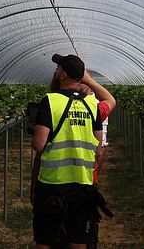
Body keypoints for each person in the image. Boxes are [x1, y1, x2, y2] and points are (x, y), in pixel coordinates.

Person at [30, 53, 117, 249]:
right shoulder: (92, 105)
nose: (55, 71)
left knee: (45, 241)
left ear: (63, 74)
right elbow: (98, 148)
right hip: (83, 184)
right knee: (78, 241)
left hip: (52, 183)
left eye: (58, 68)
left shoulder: (50, 101)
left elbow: (39, 145)